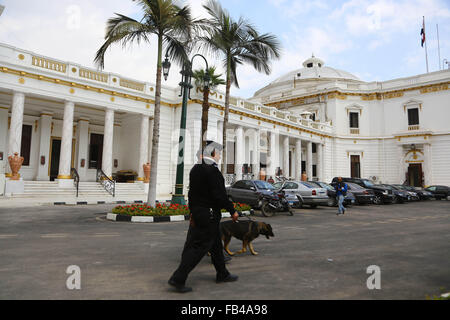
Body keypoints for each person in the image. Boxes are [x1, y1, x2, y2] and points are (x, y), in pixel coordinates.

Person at [168, 141, 240, 293]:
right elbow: (220, 196)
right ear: (213, 154)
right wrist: (232, 210)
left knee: (215, 245)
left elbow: (191, 194)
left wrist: (193, 211)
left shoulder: (195, 169)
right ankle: (178, 278)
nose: (220, 157)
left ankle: (222, 273)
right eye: (219, 153)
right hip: (209, 214)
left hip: (200, 212)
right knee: (199, 247)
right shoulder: (212, 171)